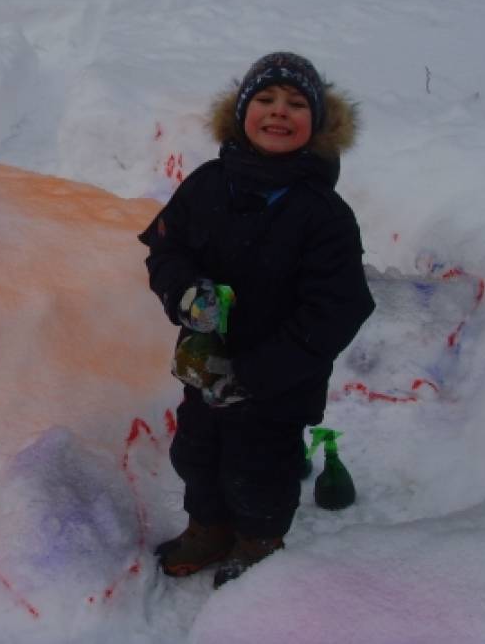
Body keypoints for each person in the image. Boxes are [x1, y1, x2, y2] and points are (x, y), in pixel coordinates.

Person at [138, 52, 375, 588]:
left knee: (259, 465)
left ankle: (258, 544)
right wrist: (183, 294)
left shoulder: (323, 214)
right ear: (241, 111)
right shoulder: (206, 184)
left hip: (277, 381)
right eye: (264, 100)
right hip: (203, 365)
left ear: (317, 123)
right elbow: (164, 251)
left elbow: (340, 307)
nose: (278, 112)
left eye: (295, 104)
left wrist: (256, 373)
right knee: (196, 451)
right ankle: (208, 528)